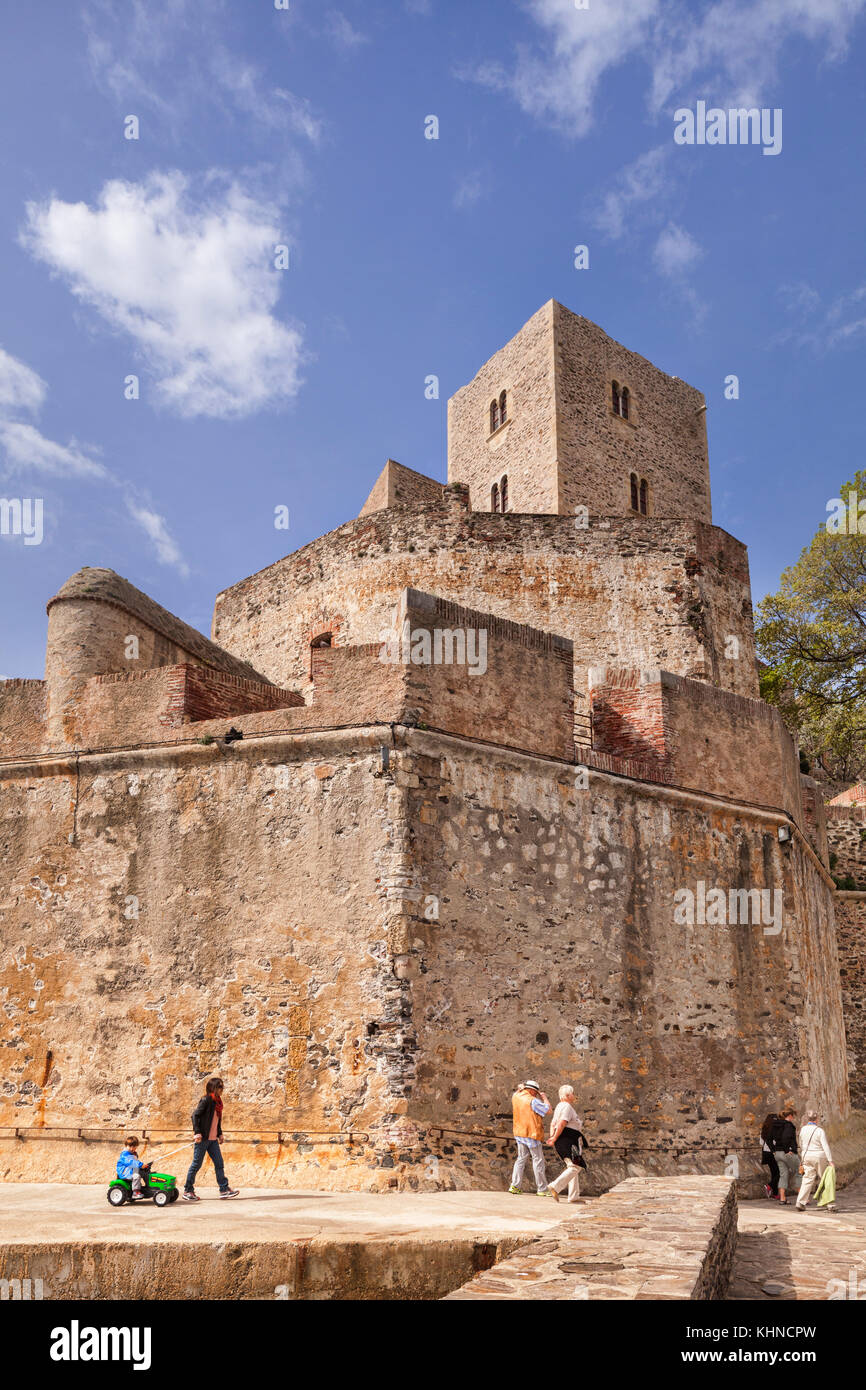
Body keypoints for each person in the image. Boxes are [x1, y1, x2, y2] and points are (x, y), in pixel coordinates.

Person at [183, 1077, 239, 1201]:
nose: (222, 1089)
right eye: (219, 1087)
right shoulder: (206, 1100)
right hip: (203, 1139)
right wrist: (197, 1132)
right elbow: (195, 1115)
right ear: (213, 1087)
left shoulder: (218, 1102)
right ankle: (188, 1190)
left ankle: (224, 1189)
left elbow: (217, 1121)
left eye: (222, 1087)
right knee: (196, 1164)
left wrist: (220, 1134)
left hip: (213, 1140)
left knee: (219, 1163)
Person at [508, 1080, 552, 1195]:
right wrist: (544, 1098)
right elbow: (548, 1110)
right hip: (532, 1133)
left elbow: (518, 1090)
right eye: (536, 1092)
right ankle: (542, 1189)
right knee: (538, 1161)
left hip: (519, 1132)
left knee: (521, 1159)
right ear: (532, 1091)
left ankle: (514, 1186)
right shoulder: (533, 1101)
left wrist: (520, 1088)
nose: (536, 1094)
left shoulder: (516, 1096)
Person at [546, 1084, 585, 1204]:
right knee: (576, 1166)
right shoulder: (567, 1106)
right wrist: (554, 1138)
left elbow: (553, 1124)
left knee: (572, 1166)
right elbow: (562, 1123)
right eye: (573, 1093)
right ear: (568, 1095)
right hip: (567, 1141)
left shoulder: (559, 1106)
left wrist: (553, 1137)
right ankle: (555, 1186)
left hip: (564, 1140)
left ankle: (573, 1196)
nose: (574, 1096)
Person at [796, 1110, 836, 1212]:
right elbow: (825, 1146)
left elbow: (800, 1143)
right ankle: (830, 1204)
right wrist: (830, 1160)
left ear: (807, 1119)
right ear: (817, 1119)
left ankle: (800, 1202)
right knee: (825, 1179)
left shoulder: (803, 1130)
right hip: (819, 1156)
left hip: (806, 1156)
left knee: (807, 1179)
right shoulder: (819, 1131)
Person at [770, 1105, 799, 1205]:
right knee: (799, 1171)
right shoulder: (788, 1125)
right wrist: (787, 1150)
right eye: (793, 1116)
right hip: (787, 1153)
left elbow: (768, 1138)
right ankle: (802, 1199)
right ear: (790, 1116)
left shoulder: (775, 1125)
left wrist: (773, 1150)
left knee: (783, 1175)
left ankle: (782, 1198)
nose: (793, 1118)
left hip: (777, 1153)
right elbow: (786, 1138)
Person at [117, 1135, 145, 1199]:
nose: (132, 1149)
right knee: (136, 1176)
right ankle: (135, 1192)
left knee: (143, 1172)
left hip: (131, 1171)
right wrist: (141, 1165)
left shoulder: (133, 1153)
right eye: (130, 1146)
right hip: (125, 1173)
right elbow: (131, 1162)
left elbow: (135, 1162)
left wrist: (144, 1166)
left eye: (134, 1147)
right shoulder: (124, 1155)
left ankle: (142, 1188)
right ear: (126, 1145)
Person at [760, 1113, 780, 1199]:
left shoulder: (764, 1129)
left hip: (766, 1153)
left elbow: (761, 1142)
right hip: (773, 1152)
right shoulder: (775, 1129)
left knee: (774, 1173)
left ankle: (775, 1194)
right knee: (780, 1173)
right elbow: (776, 1142)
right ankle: (769, 1185)